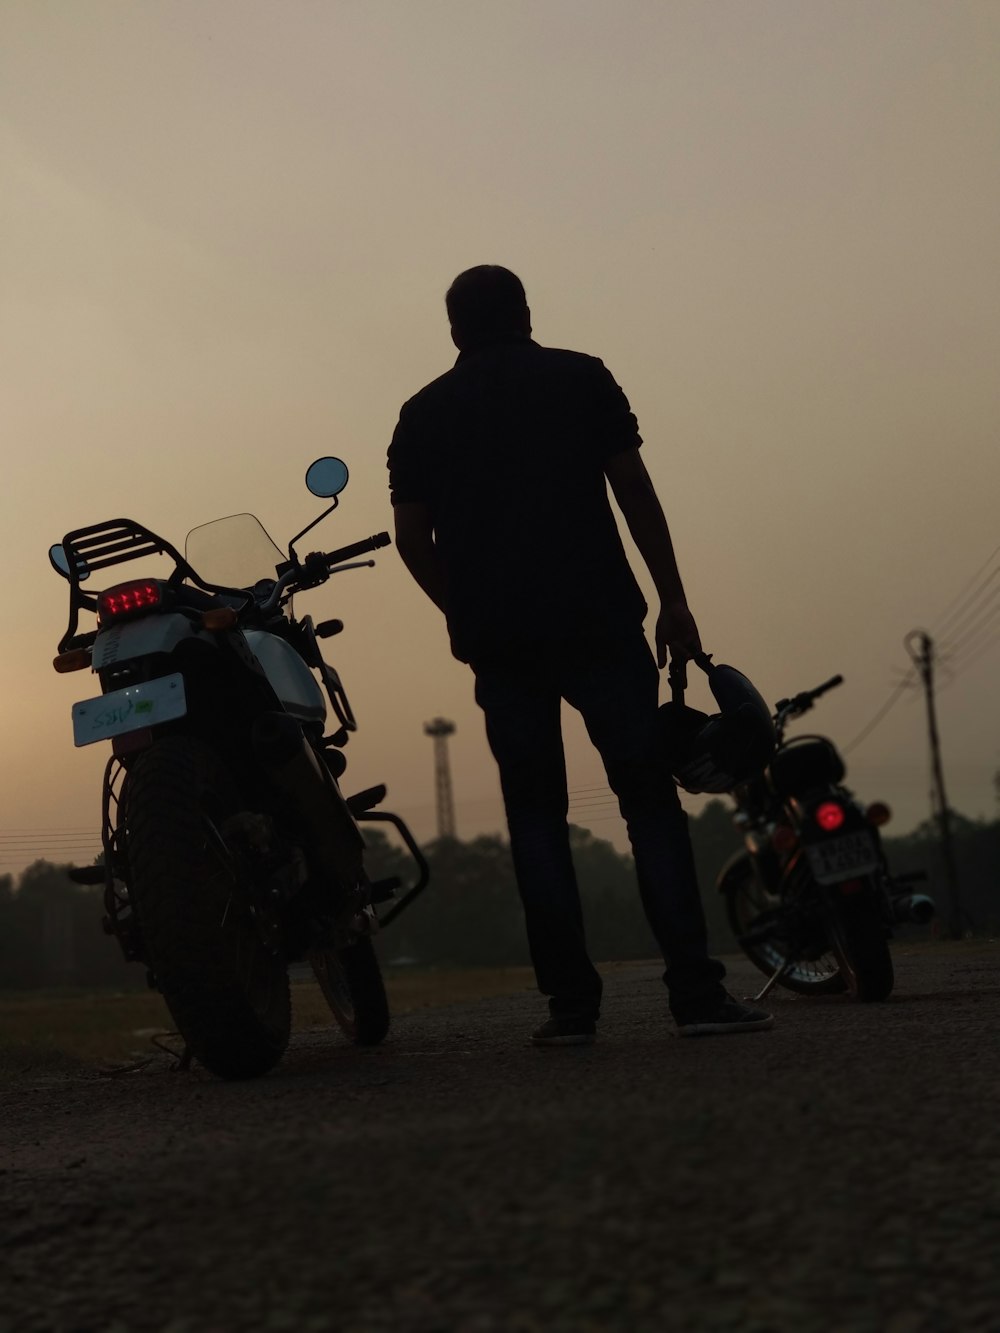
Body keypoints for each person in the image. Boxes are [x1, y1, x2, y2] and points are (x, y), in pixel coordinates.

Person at [387, 265, 772, 1044]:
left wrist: (463, 615)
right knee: (649, 807)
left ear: (455, 329)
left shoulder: (422, 414)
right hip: (599, 622)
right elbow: (633, 489)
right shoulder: (581, 378)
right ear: (527, 314)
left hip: (501, 641)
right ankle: (695, 996)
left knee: (537, 821)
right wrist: (674, 598)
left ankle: (571, 1009)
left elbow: (411, 539)